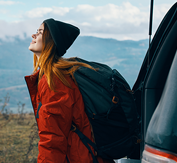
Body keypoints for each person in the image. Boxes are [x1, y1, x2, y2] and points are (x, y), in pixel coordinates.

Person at [25, 18, 114, 163]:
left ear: (51, 41)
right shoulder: (57, 75)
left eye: (40, 32)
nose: (33, 36)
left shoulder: (53, 80)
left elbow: (52, 137)